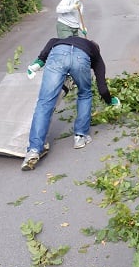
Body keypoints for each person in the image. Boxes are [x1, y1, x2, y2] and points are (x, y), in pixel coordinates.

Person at [21, 36, 120, 171]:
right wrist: (111, 101)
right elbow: (102, 88)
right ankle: (80, 136)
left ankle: (33, 150)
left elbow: (52, 40)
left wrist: (39, 61)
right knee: (85, 94)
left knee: (45, 102)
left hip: (58, 53)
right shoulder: (96, 56)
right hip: (80, 59)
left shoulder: (67, 39)